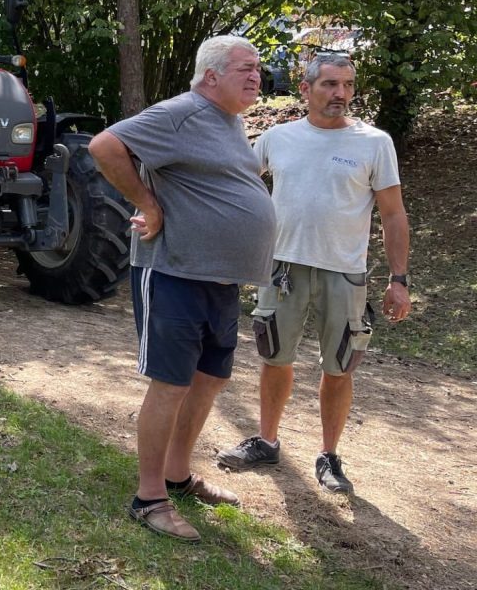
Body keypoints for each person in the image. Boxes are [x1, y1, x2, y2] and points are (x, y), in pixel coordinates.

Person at [89, 36, 277, 543]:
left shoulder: (230, 122)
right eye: (246, 68)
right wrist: (148, 205)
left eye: (258, 69)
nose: (257, 76)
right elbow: (105, 146)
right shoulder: (181, 112)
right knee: (170, 384)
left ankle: (177, 474)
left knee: (209, 379)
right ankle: (149, 497)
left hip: (220, 281)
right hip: (173, 272)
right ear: (211, 75)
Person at [216, 55, 410, 494]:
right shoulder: (277, 138)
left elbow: (394, 214)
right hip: (281, 267)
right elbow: (237, 186)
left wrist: (399, 280)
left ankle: (329, 456)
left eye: (347, 84)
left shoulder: (374, 142)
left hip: (344, 272)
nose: (340, 93)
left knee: (340, 367)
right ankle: (266, 442)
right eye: (329, 84)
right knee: (274, 358)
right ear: (305, 89)